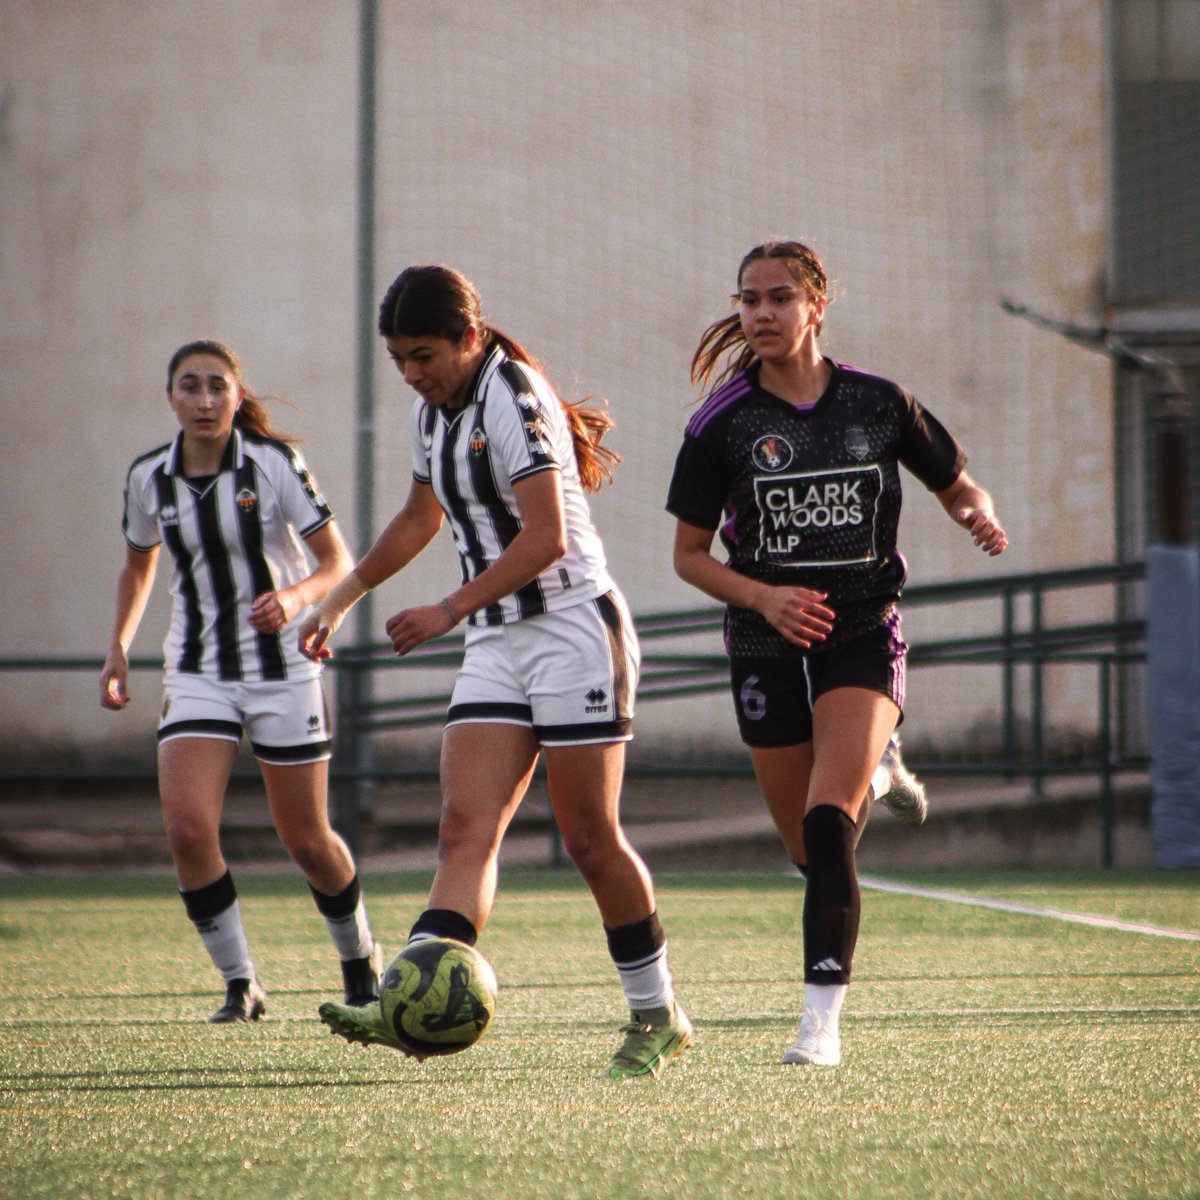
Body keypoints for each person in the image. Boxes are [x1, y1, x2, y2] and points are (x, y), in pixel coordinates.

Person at [302, 264, 690, 1079]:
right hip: (497, 641)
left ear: (469, 338)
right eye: (400, 359)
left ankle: (658, 1013)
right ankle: (402, 997)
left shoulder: (511, 396)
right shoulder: (431, 413)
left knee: (588, 837)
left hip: (574, 630)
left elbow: (546, 538)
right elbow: (418, 518)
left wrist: (446, 609)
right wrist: (339, 601)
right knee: (463, 827)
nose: (412, 372)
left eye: (424, 355)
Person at [666, 240, 1007, 1067]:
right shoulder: (723, 421)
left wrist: (975, 514)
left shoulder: (881, 403)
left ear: (817, 306)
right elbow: (689, 556)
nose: (761, 315)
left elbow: (959, 484)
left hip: (860, 627)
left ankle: (820, 1025)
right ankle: (881, 770)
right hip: (763, 640)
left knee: (826, 827)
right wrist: (765, 598)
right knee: (806, 847)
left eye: (779, 299)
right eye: (749, 300)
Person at [100, 340, 382, 1023]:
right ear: (170, 397)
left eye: (216, 387)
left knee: (307, 838)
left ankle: (360, 962)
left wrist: (294, 600)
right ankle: (241, 984)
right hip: (198, 669)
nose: (203, 400)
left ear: (235, 394)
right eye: (189, 387)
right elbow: (140, 566)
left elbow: (335, 560)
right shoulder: (149, 478)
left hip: (281, 667)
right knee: (189, 830)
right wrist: (117, 648)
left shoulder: (273, 463)